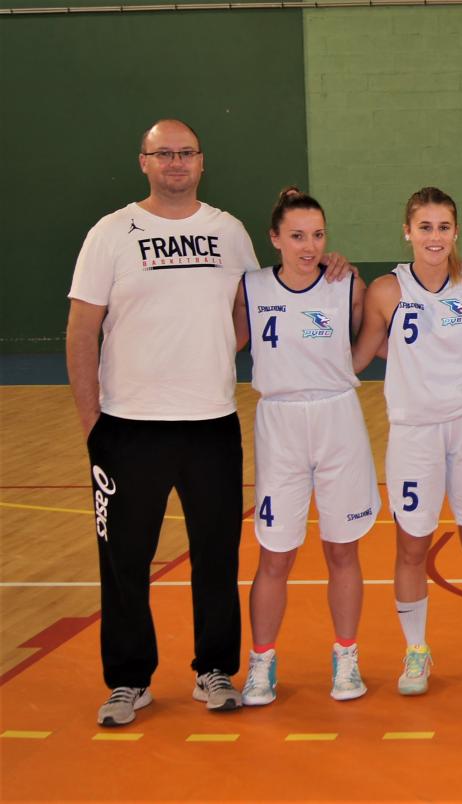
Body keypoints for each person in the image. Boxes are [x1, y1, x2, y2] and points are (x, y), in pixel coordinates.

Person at [67, 119, 253, 727]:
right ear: (143, 162)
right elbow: (81, 330)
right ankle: (128, 681)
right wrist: (93, 421)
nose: (176, 162)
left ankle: (215, 670)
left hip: (211, 424)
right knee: (124, 560)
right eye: (163, 153)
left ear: (202, 162)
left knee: (217, 554)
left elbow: (247, 313)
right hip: (129, 427)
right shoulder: (110, 233)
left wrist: (207, 356)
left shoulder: (229, 231)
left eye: (186, 153)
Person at [351, 187, 462, 695]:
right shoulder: (387, 291)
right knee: (411, 545)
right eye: (425, 227)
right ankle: (416, 650)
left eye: (443, 227)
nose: (435, 237)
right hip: (414, 432)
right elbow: (358, 357)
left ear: (456, 231)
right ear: (407, 231)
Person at [232, 188, 378, 705]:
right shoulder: (250, 288)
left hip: (338, 418)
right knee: (275, 553)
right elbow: (223, 344)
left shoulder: (346, 284)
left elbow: (374, 339)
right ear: (274, 238)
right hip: (281, 423)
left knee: (342, 549)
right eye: (297, 236)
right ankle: (261, 662)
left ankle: (346, 657)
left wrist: (346, 371)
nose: (309, 246)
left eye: (317, 235)